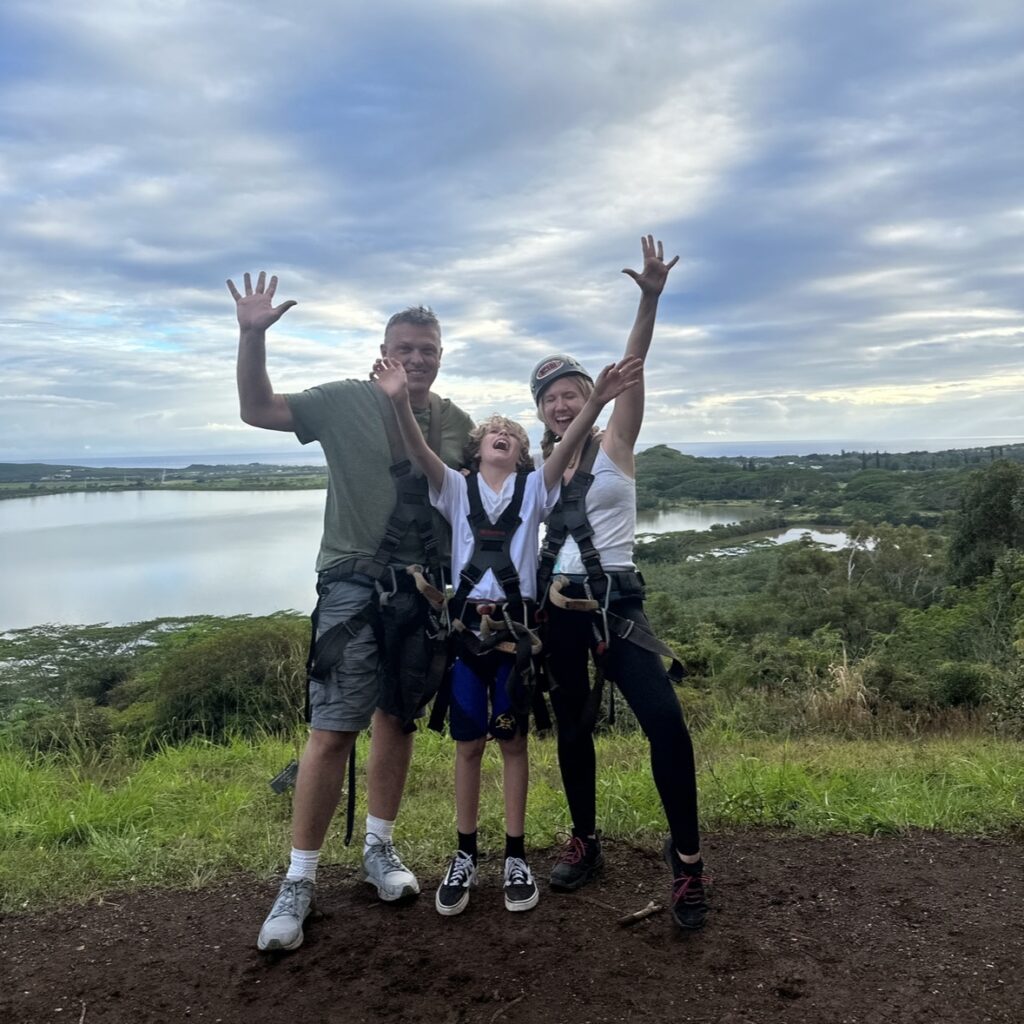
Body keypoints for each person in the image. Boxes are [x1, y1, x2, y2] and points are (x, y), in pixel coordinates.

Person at [228, 271, 474, 952]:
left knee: (397, 719)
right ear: (384, 351)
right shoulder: (343, 401)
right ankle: (298, 881)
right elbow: (259, 409)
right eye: (407, 348)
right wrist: (251, 336)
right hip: (352, 585)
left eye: (429, 349)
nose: (418, 359)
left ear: (440, 355)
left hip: (422, 590)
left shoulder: (455, 422)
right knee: (334, 728)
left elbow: (480, 501)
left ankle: (379, 848)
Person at [374, 352, 641, 916]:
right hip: (470, 633)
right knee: (468, 744)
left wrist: (596, 400)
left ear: (523, 452)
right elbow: (420, 454)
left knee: (514, 742)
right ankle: (466, 853)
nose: (500, 436)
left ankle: (515, 856)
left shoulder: (535, 490)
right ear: (476, 450)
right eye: (491, 433)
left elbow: (568, 447)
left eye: (511, 434)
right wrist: (400, 401)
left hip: (516, 634)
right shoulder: (453, 487)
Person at [529, 235, 710, 931]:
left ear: (591, 399)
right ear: (540, 412)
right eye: (552, 399)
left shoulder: (615, 446)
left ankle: (687, 863)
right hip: (558, 611)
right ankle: (586, 838)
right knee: (573, 727)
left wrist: (650, 298)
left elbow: (632, 369)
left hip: (616, 603)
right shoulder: (537, 474)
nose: (564, 404)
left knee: (665, 724)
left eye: (573, 394)